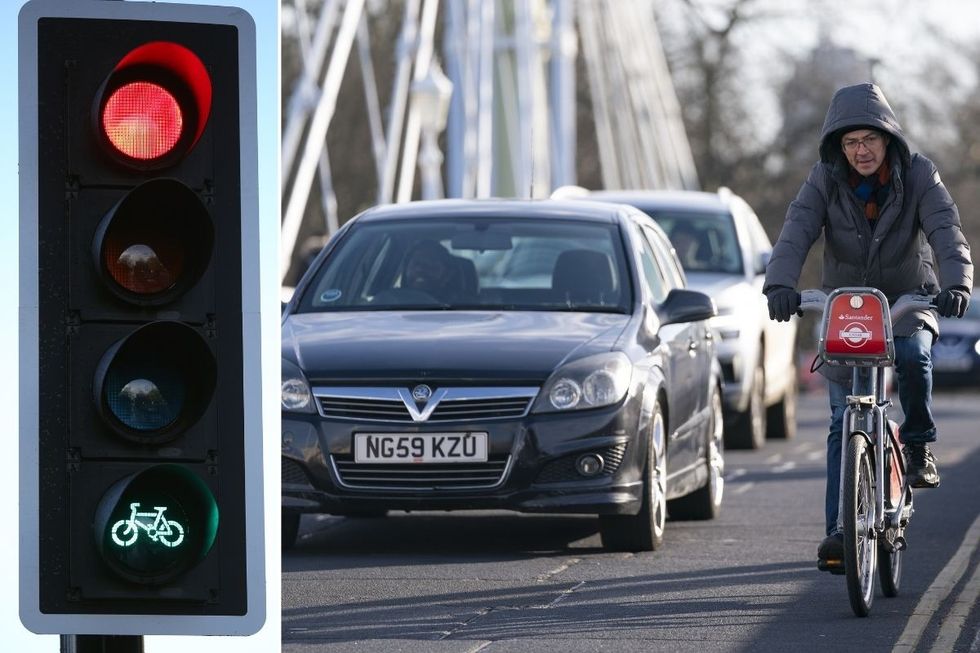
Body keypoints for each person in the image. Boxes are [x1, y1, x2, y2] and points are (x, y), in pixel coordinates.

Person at [763, 83, 974, 566]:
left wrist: (956, 282)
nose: (860, 151)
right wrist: (780, 284)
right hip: (848, 308)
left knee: (915, 356)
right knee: (842, 420)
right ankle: (839, 533)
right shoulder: (823, 179)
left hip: (907, 299)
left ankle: (918, 444)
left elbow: (946, 229)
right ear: (839, 147)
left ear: (888, 139)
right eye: (850, 142)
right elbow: (797, 229)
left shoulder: (920, 174)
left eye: (869, 140)